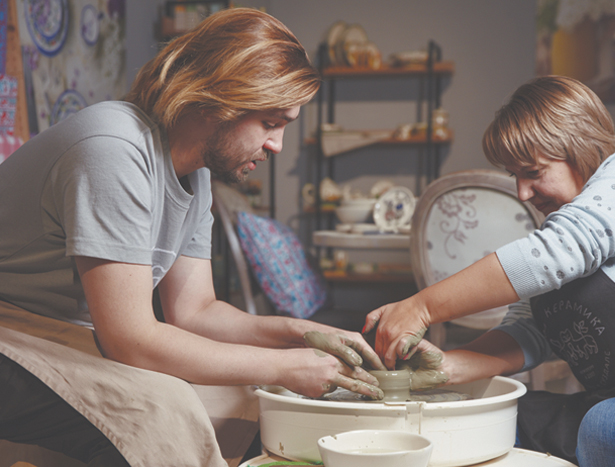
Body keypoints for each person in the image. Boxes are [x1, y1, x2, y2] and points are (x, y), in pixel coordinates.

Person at [0, 8, 384, 467]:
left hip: (65, 334)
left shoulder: (195, 173)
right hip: (12, 336)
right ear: (216, 101)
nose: (277, 145)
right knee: (162, 409)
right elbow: (130, 340)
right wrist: (285, 365)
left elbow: (195, 312)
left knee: (249, 393)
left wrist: (299, 333)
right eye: (270, 122)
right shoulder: (113, 150)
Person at [364, 75, 615, 466]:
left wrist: (420, 307)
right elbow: (527, 333)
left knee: (611, 423)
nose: (522, 192)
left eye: (533, 172)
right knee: (488, 418)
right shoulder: (556, 236)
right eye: (515, 176)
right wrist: (444, 369)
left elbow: (557, 253)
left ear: (580, 147)